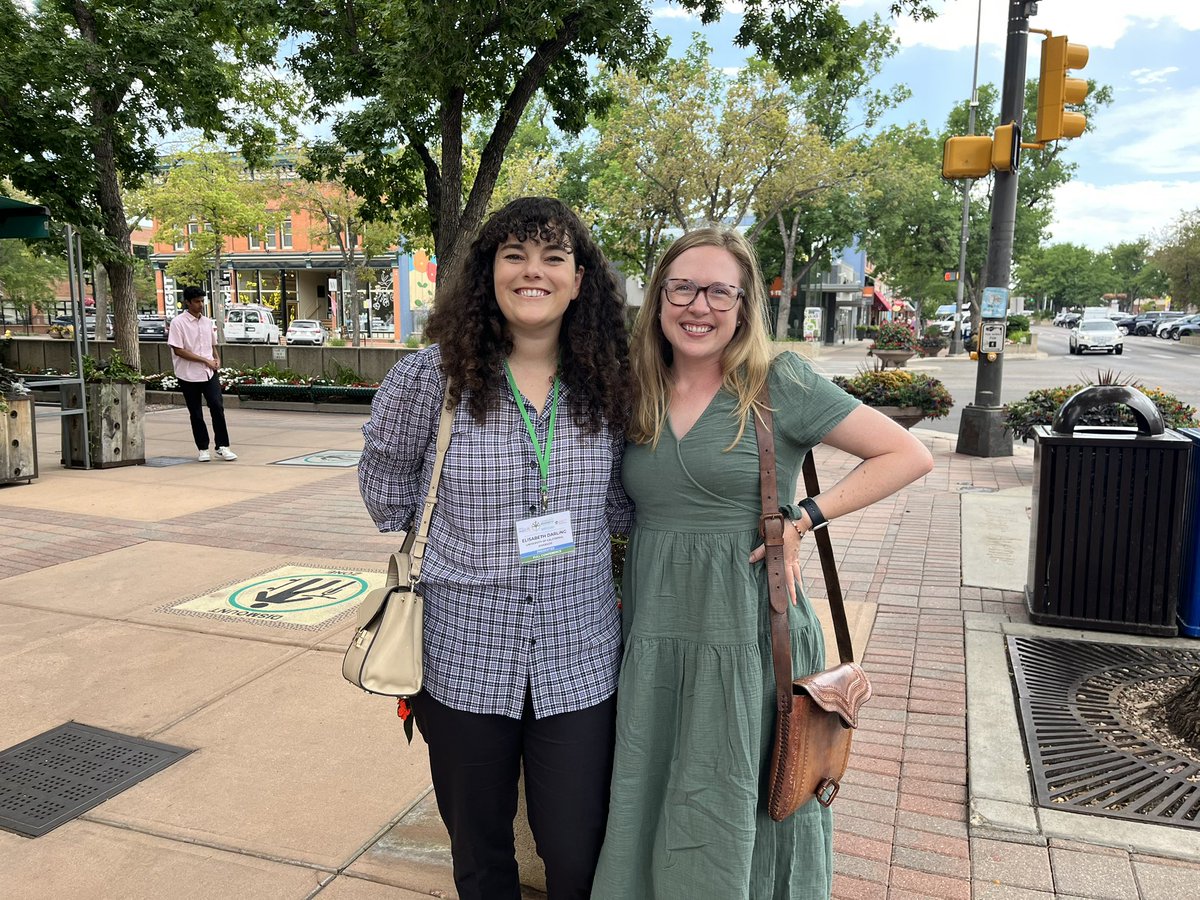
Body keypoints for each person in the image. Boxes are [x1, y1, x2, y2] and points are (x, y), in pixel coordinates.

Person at [591, 228, 934, 899]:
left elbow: (906, 454)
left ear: (744, 304)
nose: (700, 306)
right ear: (658, 298)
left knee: (745, 794)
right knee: (654, 791)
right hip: (656, 634)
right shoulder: (634, 388)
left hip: (750, 634)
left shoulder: (779, 382)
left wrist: (804, 518)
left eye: (720, 291)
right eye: (682, 288)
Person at [358, 197, 633, 900]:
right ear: (489, 271)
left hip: (579, 657)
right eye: (515, 255)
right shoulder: (431, 378)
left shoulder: (612, 383)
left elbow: (627, 505)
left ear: (579, 279)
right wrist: (469, 542)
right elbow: (386, 489)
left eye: (553, 257)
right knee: (480, 856)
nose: (533, 271)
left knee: (578, 850)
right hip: (463, 656)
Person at [167, 286, 236, 462]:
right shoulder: (178, 323)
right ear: (188, 302)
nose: (200, 304)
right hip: (188, 374)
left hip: (209, 373)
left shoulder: (207, 322)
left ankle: (222, 446)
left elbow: (211, 345)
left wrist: (216, 359)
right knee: (196, 412)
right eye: (197, 301)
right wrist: (205, 361)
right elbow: (178, 350)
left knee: (217, 406)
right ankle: (203, 448)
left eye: (202, 301)